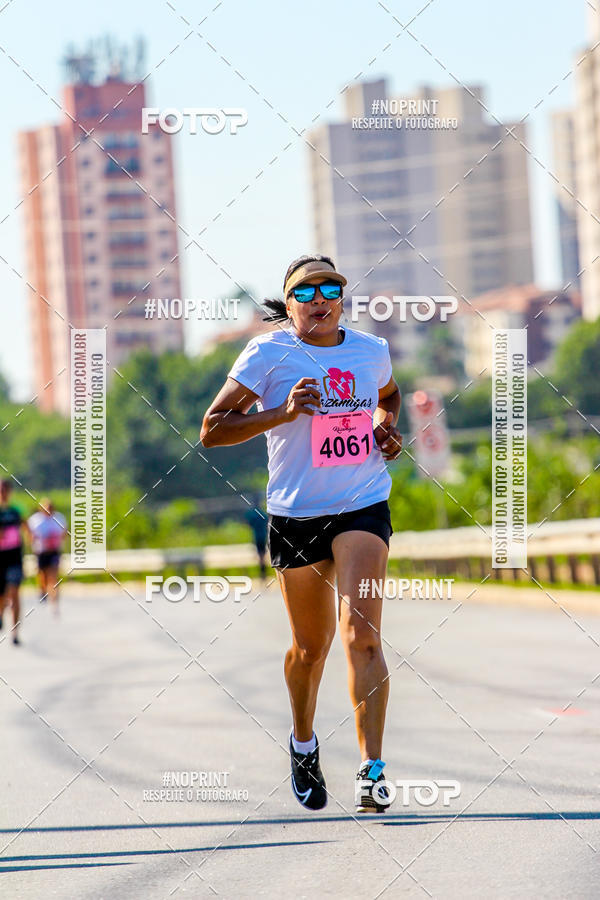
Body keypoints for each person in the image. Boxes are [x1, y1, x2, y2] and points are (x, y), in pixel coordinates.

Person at [201, 254, 403, 813]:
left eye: (329, 287)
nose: (319, 298)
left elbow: (388, 397)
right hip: (296, 514)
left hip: (363, 503)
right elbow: (212, 430)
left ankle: (373, 769)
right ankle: (303, 741)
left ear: (342, 296)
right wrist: (282, 413)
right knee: (309, 649)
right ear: (288, 304)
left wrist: (388, 427)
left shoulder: (370, 350)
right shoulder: (268, 354)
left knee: (362, 637)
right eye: (305, 291)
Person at [0, 479, 29, 645]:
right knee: (2, 595)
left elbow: (26, 528)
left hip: (14, 558)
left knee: (15, 592)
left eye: (5, 489)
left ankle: (15, 631)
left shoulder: (17, 510)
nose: (3, 492)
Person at [27, 498, 67, 615]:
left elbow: (64, 532)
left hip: (54, 551)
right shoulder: (35, 520)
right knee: (43, 575)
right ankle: (43, 590)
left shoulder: (59, 518)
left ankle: (54, 602)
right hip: (41, 551)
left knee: (53, 577)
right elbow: (30, 534)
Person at [245, 497, 268, 581]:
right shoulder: (263, 513)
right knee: (263, 556)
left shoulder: (252, 514)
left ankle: (262, 574)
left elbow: (248, 524)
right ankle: (263, 574)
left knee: (260, 556)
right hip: (264, 536)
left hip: (257, 536)